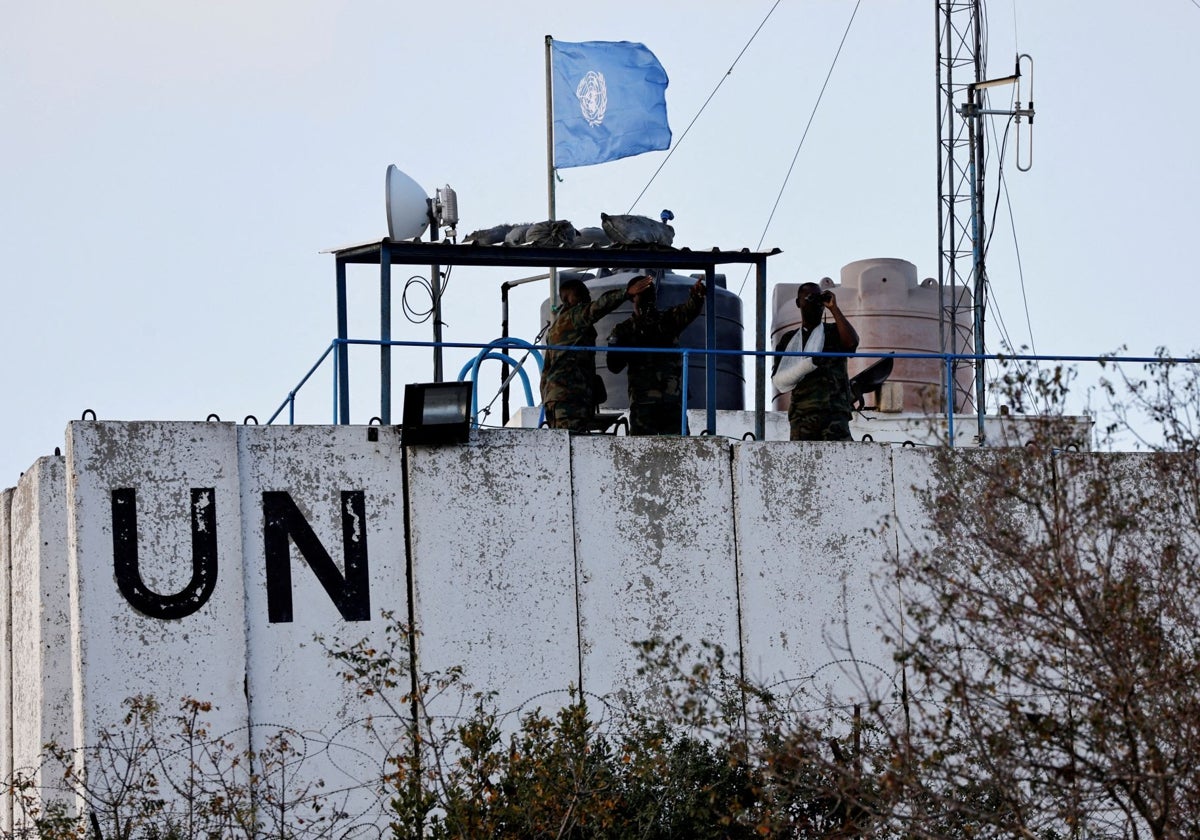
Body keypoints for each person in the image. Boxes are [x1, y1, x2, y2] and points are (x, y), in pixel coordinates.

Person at [541, 275, 654, 431]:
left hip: (558, 399)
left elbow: (546, 370)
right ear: (568, 299)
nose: (587, 298)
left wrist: (546, 399)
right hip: (570, 398)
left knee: (564, 445)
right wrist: (626, 293)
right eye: (581, 295)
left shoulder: (554, 329)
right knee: (573, 445)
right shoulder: (574, 316)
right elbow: (599, 306)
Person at [606, 276, 706, 435]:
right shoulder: (625, 330)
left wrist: (697, 296)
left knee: (680, 451)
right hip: (643, 402)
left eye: (650, 292)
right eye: (643, 293)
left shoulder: (667, 320)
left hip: (671, 401)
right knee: (643, 452)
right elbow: (614, 366)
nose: (648, 297)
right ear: (632, 298)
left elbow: (689, 310)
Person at [771, 282, 860, 441]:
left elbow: (852, 343)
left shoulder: (833, 332)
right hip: (803, 415)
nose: (816, 304)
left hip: (835, 414)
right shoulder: (789, 340)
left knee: (841, 463)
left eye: (819, 299)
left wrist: (834, 308)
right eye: (810, 298)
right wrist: (808, 364)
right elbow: (779, 380)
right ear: (799, 303)